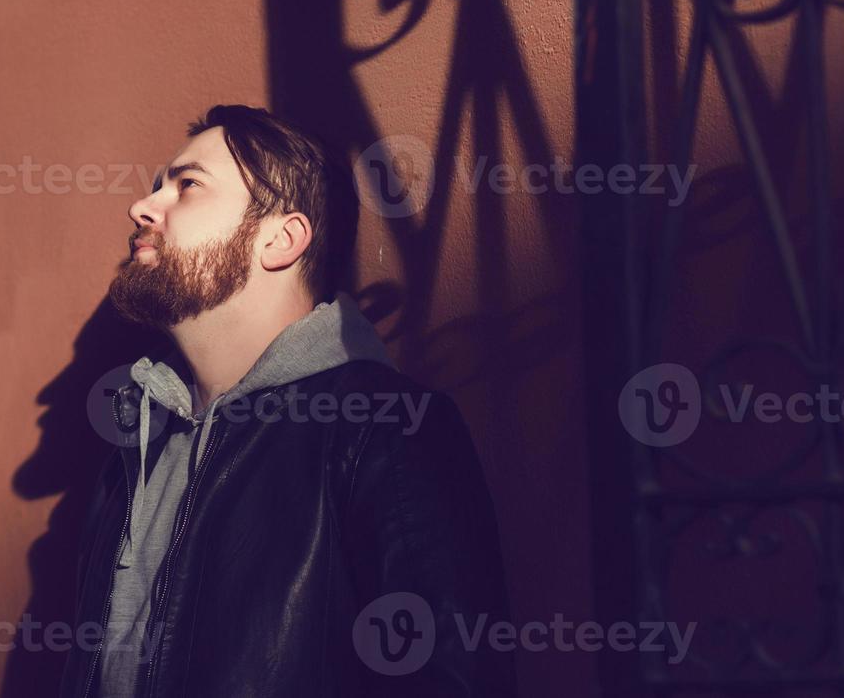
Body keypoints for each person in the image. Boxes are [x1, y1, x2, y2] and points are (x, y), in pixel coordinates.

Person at [58, 104, 514, 698]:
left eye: (187, 185)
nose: (142, 207)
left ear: (282, 238)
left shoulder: (382, 426)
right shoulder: (138, 441)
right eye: (156, 187)